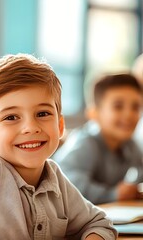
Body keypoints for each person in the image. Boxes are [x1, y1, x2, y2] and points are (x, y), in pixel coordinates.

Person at [0, 9, 117, 239]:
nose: (31, 127)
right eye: (11, 117)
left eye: (42, 113)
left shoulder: (55, 178)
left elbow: (99, 222)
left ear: (60, 127)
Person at [52, 72, 143, 205]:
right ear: (94, 113)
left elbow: (140, 171)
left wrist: (132, 188)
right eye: (118, 106)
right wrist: (113, 194)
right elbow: (70, 184)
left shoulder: (130, 145)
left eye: (135, 107)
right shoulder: (86, 142)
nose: (129, 114)